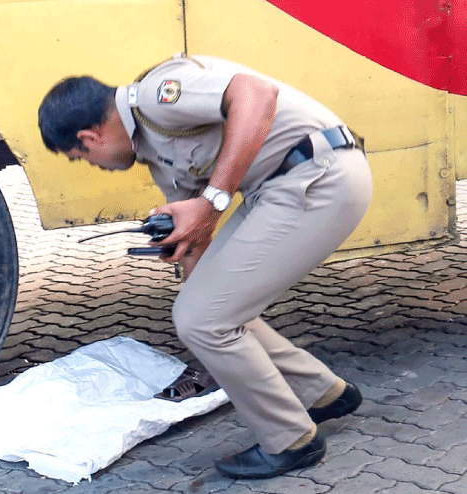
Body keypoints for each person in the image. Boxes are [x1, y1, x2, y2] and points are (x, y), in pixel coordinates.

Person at [37, 54, 372, 479]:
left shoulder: (158, 97)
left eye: (81, 158)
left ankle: (291, 441)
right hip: (278, 190)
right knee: (205, 313)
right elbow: (197, 242)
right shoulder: (154, 153)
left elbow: (256, 94)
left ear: (91, 136)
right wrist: (197, 283)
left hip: (318, 176)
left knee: (203, 320)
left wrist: (212, 202)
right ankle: (323, 394)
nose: (93, 167)